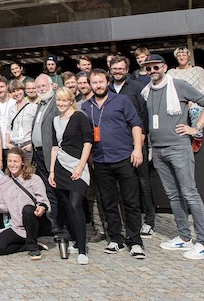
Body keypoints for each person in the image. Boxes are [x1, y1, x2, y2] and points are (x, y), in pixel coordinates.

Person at [140, 54, 204, 260]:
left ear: (164, 67)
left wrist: (195, 128)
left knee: (190, 193)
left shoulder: (179, 85)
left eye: (155, 67)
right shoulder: (146, 91)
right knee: (173, 195)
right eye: (148, 68)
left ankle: (203, 244)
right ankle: (184, 237)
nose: (152, 71)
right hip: (157, 149)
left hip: (178, 148)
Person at [83, 69, 146, 259]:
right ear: (90, 85)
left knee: (131, 201)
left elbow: (136, 125)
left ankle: (135, 241)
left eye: (101, 82)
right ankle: (116, 239)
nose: (98, 85)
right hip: (101, 161)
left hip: (124, 157)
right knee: (107, 202)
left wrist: (137, 149)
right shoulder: (87, 106)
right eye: (94, 83)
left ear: (107, 81)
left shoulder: (122, 101)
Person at [109, 55, 155, 236]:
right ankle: (127, 222)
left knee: (143, 182)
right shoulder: (107, 89)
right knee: (123, 186)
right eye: (114, 69)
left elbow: (145, 114)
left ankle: (149, 220)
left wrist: (142, 138)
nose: (117, 71)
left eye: (121, 68)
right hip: (117, 145)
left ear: (127, 69)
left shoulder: (137, 87)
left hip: (137, 142)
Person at [48, 88, 94, 265]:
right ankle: (75, 241)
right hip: (60, 168)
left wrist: (81, 167)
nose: (61, 104)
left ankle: (82, 249)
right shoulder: (55, 120)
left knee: (76, 205)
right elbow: (54, 147)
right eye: (58, 101)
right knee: (67, 206)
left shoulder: (80, 116)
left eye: (64, 100)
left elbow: (87, 142)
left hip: (77, 167)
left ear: (70, 101)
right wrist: (52, 171)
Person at [0, 147, 52, 259]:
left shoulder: (34, 179)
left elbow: (45, 203)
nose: (12, 164)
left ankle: (33, 247)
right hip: (17, 227)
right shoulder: (4, 182)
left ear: (22, 162)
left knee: (27, 209)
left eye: (15, 161)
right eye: (10, 161)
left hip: (35, 222)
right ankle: (26, 245)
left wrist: (41, 208)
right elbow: (6, 207)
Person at [30, 74, 61, 232]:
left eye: (44, 86)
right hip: (39, 154)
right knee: (46, 189)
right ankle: (52, 222)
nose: (41, 89)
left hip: (51, 153)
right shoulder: (41, 104)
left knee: (54, 187)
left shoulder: (56, 103)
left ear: (51, 85)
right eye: (38, 87)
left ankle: (59, 223)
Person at [167, 47, 204, 150]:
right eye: (179, 55)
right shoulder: (171, 73)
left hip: (196, 102)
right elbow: (170, 90)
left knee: (195, 110)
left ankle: (197, 136)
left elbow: (203, 89)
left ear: (188, 56)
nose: (181, 57)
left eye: (184, 55)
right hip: (178, 102)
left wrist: (192, 101)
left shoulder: (198, 70)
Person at [5, 80, 37, 163]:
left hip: (27, 144)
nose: (17, 93)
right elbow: (9, 128)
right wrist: (7, 143)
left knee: (28, 171)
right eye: (14, 91)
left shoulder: (33, 107)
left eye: (18, 90)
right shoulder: (11, 108)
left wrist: (32, 144)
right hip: (14, 144)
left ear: (23, 90)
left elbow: (36, 127)